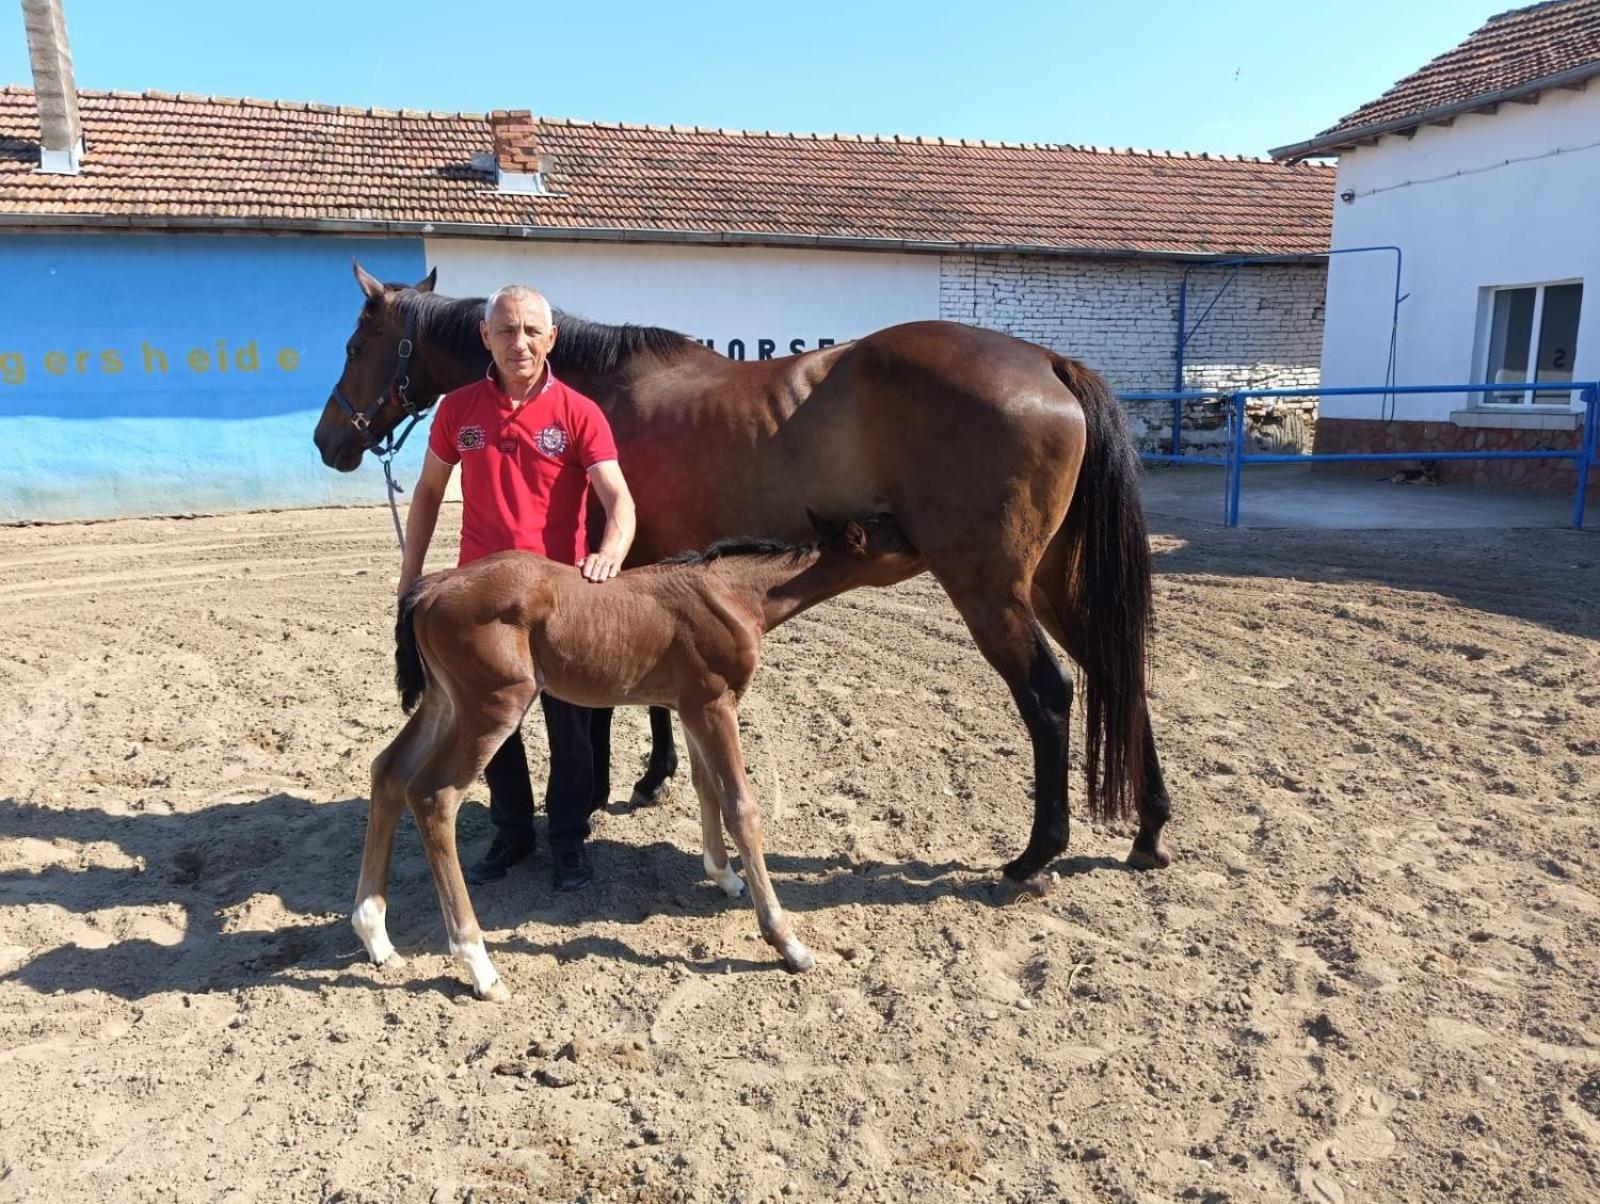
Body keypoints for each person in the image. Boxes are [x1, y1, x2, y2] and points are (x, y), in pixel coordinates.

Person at [397, 284, 636, 891]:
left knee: (571, 725)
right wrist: (411, 573)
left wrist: (609, 553)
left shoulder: (580, 412)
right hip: (482, 603)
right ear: (486, 337)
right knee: (489, 723)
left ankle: (567, 841)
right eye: (506, 329)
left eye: (532, 330)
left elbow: (619, 500)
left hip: (560, 600)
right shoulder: (457, 409)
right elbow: (426, 493)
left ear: (551, 338)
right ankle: (512, 831)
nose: (519, 341)